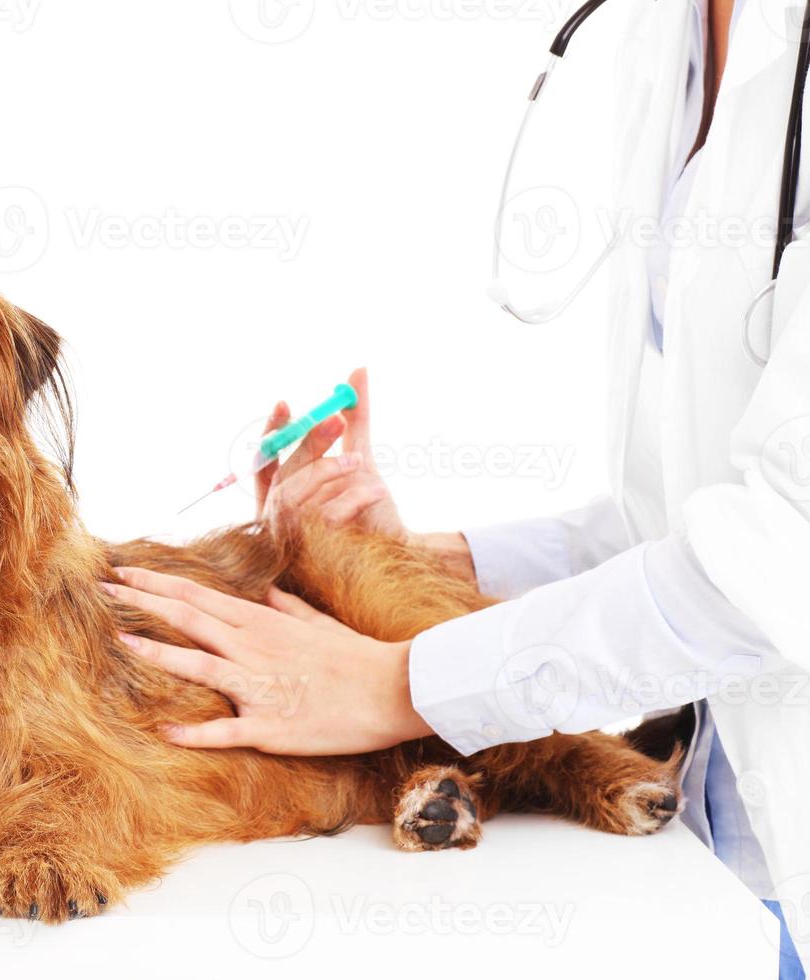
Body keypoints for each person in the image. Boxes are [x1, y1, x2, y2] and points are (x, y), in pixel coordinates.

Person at [104, 1, 810, 976]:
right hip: (720, 857)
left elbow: (784, 546)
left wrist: (399, 683)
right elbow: (685, 512)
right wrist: (414, 567)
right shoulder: (666, 32)